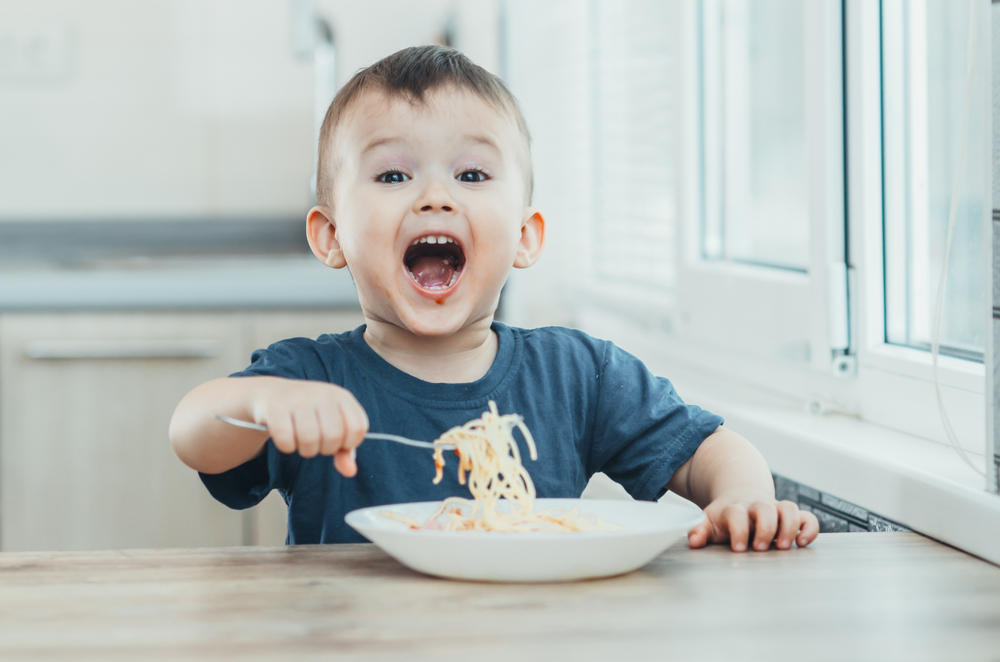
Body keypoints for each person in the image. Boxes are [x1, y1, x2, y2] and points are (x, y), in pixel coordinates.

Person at [169, 45, 819, 552]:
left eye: (472, 174)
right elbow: (195, 434)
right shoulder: (310, 379)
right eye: (393, 174)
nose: (434, 196)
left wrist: (740, 499)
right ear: (332, 235)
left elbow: (712, 449)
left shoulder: (579, 375)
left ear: (525, 237)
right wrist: (260, 402)